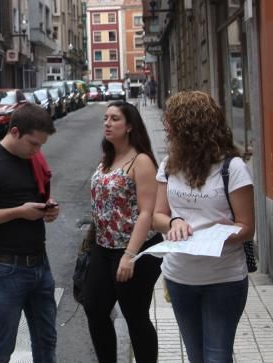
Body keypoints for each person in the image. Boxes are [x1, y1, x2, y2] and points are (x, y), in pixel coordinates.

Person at [152, 90, 254, 363]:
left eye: (171, 123)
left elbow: (247, 227)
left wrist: (219, 235)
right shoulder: (169, 165)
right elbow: (157, 216)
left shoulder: (233, 168)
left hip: (223, 279)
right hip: (179, 277)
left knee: (217, 357)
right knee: (196, 357)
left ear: (190, 128)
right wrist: (173, 222)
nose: (167, 129)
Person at [0, 103, 59, 363]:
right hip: (4, 268)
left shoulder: (34, 160)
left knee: (46, 341)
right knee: (3, 347)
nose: (38, 151)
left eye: (41, 145)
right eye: (33, 143)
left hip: (40, 264)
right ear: (15, 132)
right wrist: (18, 212)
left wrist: (48, 210)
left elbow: (36, 200)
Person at [83, 101, 163, 362]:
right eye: (105, 118)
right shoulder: (106, 159)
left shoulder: (141, 161)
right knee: (94, 308)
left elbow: (146, 213)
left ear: (129, 126)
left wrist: (130, 255)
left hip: (135, 250)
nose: (107, 123)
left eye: (114, 119)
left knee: (135, 316)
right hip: (103, 248)